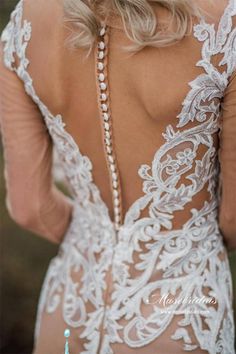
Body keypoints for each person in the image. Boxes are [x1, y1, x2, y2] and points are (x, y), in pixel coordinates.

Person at [0, 0, 236, 353]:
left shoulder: (26, 22)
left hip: (68, 313)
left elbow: (29, 207)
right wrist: (176, 246)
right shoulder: (223, 23)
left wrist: (99, 239)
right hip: (181, 311)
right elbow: (233, 216)